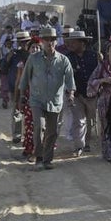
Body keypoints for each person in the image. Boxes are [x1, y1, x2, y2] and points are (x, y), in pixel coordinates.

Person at [15, 26, 75, 170]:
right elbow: (24, 79)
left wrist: (71, 94)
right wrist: (22, 96)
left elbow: (70, 80)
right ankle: (39, 158)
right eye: (46, 40)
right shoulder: (33, 59)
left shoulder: (63, 60)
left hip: (55, 101)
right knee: (39, 127)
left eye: (52, 40)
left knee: (52, 131)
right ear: (41, 41)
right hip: (37, 100)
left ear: (56, 41)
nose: (50, 42)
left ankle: (48, 160)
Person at [65, 30, 100, 155]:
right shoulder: (67, 58)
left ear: (82, 43)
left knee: (89, 120)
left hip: (92, 94)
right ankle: (79, 146)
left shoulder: (94, 56)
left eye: (74, 42)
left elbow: (99, 74)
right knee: (79, 120)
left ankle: (87, 143)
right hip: (76, 94)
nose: (71, 44)